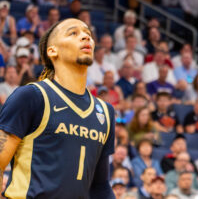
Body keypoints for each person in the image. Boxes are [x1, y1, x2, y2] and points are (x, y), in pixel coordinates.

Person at [0, 17, 115, 198]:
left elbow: (100, 186)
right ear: (52, 51)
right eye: (74, 33)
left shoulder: (105, 112)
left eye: (88, 34)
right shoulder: (32, 96)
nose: (86, 38)